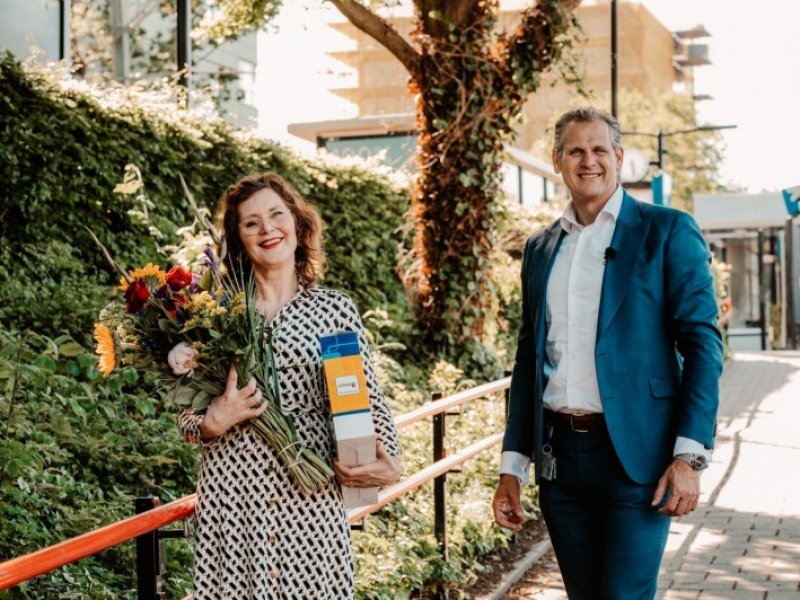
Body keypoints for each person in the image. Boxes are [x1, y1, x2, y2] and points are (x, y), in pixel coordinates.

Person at [492, 106, 723, 599]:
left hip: (638, 460)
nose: (588, 160)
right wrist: (512, 467)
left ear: (618, 157)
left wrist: (690, 457)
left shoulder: (667, 231)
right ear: (557, 161)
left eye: (599, 149)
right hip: (561, 462)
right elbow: (529, 360)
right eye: (575, 150)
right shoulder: (540, 248)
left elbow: (703, 346)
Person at [177, 172, 402, 599]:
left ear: (297, 224)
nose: (267, 229)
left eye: (276, 215)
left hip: (310, 496)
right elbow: (185, 416)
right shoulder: (215, 314)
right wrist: (212, 422)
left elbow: (367, 402)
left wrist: (389, 463)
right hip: (234, 498)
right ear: (238, 239)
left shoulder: (333, 309)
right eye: (251, 223)